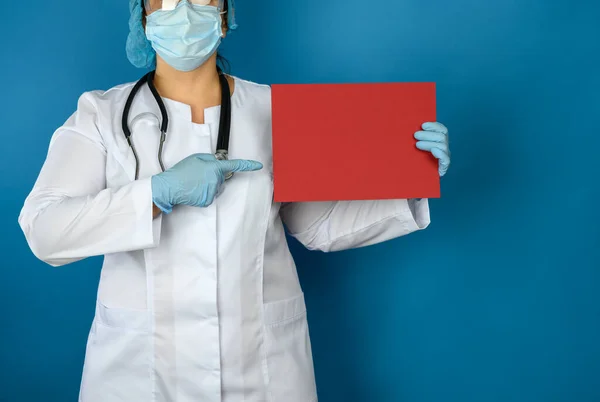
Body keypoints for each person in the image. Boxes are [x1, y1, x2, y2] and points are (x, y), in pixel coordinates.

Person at [18, 0, 452, 401]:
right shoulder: (103, 116)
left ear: (224, 14)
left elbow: (318, 225)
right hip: (141, 370)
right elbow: (44, 229)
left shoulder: (274, 110)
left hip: (261, 367)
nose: (184, 12)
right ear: (143, 16)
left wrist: (414, 178)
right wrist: (155, 193)